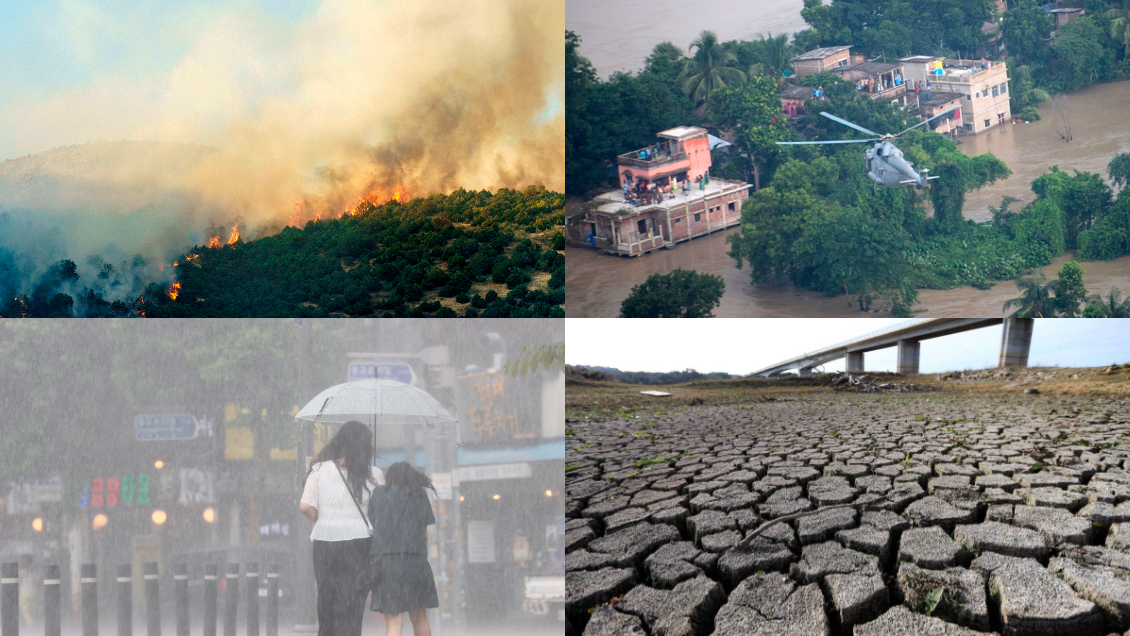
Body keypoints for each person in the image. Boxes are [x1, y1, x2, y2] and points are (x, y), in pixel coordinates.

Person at [300, 422, 385, 636]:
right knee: (353, 607)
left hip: (325, 544)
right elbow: (381, 512)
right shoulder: (375, 474)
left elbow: (305, 506)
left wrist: (320, 519)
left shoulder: (319, 469)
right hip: (359, 545)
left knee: (327, 601)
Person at [368, 462, 440, 636]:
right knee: (420, 618)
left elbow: (372, 525)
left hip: (387, 564)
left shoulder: (378, 494)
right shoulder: (420, 495)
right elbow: (425, 535)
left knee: (393, 623)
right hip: (416, 562)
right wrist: (420, 558)